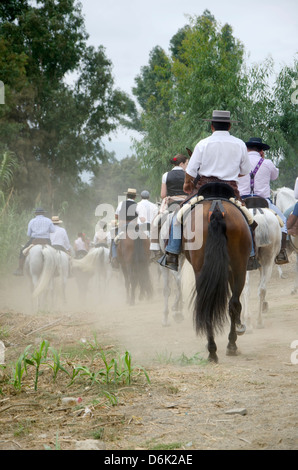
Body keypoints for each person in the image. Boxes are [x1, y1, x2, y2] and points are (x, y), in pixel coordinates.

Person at [160, 109, 256, 271]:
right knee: (249, 220)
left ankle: (172, 253)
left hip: (204, 189)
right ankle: (252, 255)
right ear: (230, 126)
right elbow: (245, 171)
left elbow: (190, 172)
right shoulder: (240, 144)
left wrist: (186, 184)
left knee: (177, 217)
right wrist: (230, 172)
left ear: (212, 126)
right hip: (230, 190)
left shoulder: (202, 144)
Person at [238, 137, 289, 265]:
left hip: (243, 202)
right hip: (264, 202)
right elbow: (275, 176)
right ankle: (282, 252)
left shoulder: (239, 162)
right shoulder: (267, 163)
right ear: (261, 150)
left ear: (247, 149)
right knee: (283, 222)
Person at [13, 207, 55, 276]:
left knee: (22, 251)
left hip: (34, 240)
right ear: (44, 213)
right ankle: (55, 270)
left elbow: (28, 234)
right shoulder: (48, 220)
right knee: (54, 253)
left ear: (35, 213)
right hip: (46, 240)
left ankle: (20, 269)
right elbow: (53, 230)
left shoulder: (32, 221)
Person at [111, 188, 139, 268]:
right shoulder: (137, 205)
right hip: (133, 227)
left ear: (127, 196)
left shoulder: (121, 204)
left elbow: (116, 216)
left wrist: (118, 221)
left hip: (123, 226)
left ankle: (115, 258)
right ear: (135, 197)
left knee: (114, 241)